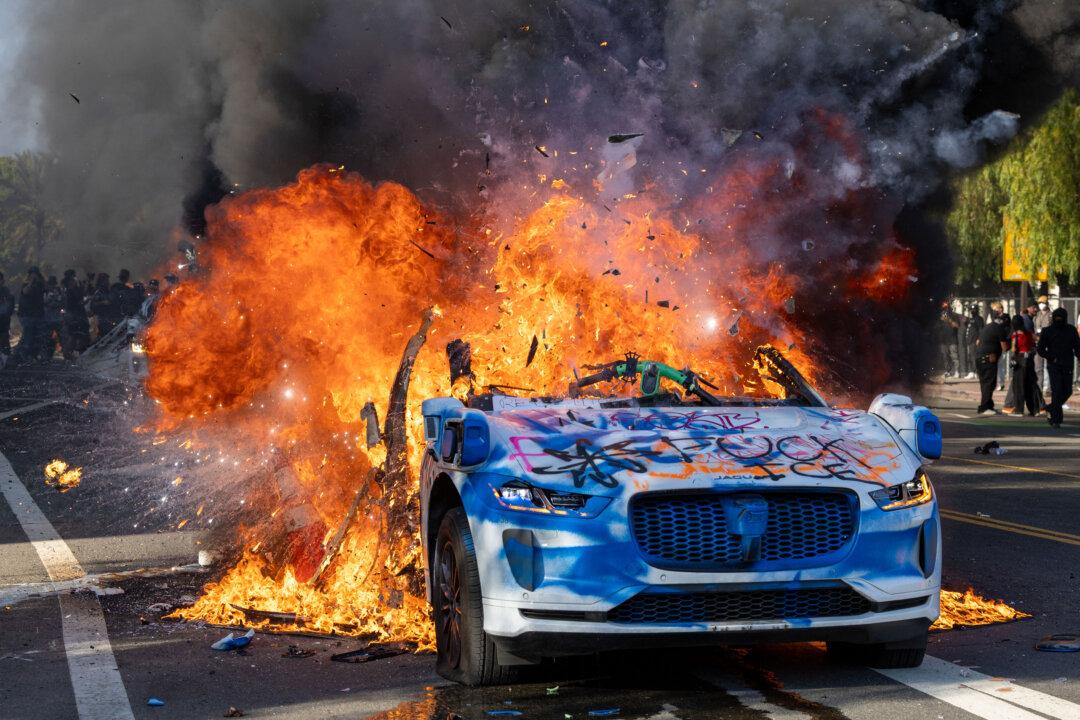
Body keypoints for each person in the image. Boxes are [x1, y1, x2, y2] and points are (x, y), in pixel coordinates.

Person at [1036, 307, 1080, 428]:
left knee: (1067, 391)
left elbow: (1077, 347)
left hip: (1067, 365)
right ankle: (1056, 420)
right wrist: (1051, 357)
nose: (1059, 320)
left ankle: (1051, 408)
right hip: (1054, 365)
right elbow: (1040, 349)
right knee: (1056, 391)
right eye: (1057, 318)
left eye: (1061, 318)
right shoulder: (1047, 331)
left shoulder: (1071, 330)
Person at [975, 309, 1009, 415]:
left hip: (979, 358)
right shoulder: (1000, 329)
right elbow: (1004, 347)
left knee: (985, 383)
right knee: (989, 384)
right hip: (989, 359)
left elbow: (977, 342)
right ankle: (984, 407)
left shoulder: (987, 327)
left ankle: (989, 405)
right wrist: (1010, 342)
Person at [1006, 315, 1040, 416]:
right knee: (1030, 385)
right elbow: (1036, 340)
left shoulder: (1015, 335)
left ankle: (1019, 410)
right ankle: (1034, 409)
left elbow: (1013, 349)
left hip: (1020, 360)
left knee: (1019, 386)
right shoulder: (1029, 334)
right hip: (1029, 360)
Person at [14, 267, 46, 363]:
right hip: (27, 315)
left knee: (36, 337)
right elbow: (25, 291)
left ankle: (30, 355)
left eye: (35, 274)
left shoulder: (40, 285)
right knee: (28, 336)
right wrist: (31, 282)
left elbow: (46, 289)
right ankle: (20, 355)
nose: (34, 276)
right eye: (32, 274)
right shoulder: (26, 284)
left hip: (37, 314)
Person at [61, 270, 90, 359]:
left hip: (76, 316)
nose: (75, 280)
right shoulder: (70, 291)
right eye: (73, 278)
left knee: (77, 336)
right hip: (75, 317)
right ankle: (68, 355)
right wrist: (87, 300)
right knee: (75, 336)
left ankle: (71, 355)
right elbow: (77, 303)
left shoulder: (71, 290)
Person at [1033, 295, 1053, 393]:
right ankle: (1039, 388)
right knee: (1038, 367)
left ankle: (1048, 388)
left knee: (1048, 367)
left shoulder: (1051, 315)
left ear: (1047, 303)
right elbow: (1034, 328)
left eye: (1043, 303)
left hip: (1048, 344)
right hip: (1038, 343)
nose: (1041, 304)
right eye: (1039, 303)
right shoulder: (1037, 315)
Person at [89, 273, 117, 338]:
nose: (108, 282)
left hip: (112, 318)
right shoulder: (98, 293)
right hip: (104, 320)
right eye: (106, 281)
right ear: (101, 282)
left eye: (107, 280)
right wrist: (102, 303)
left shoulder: (110, 291)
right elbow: (92, 306)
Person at [938, 300, 961, 378]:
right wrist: (941, 320)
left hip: (952, 340)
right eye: (943, 305)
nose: (945, 307)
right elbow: (937, 327)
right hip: (943, 340)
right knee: (945, 356)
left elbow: (957, 326)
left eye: (946, 305)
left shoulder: (954, 315)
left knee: (954, 357)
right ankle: (947, 371)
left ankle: (957, 372)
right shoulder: (940, 316)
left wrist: (949, 320)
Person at [42, 275, 64, 359]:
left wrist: (56, 304)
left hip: (58, 318)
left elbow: (62, 301)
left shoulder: (58, 291)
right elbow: (43, 303)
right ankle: (47, 356)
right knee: (48, 339)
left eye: (52, 284)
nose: (51, 286)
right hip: (48, 318)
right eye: (50, 284)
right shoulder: (45, 292)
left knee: (62, 337)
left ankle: (66, 353)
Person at [964, 305, 983, 380]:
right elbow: (969, 328)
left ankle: (974, 372)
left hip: (974, 341)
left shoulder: (979, 319)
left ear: (977, 310)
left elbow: (981, 330)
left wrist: (979, 339)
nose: (972, 311)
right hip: (969, 341)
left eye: (974, 309)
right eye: (971, 309)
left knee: (973, 357)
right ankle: (972, 372)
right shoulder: (971, 319)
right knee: (970, 357)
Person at [0, 272, 14, 357]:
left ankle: (6, 356)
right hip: (4, 317)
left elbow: (10, 304)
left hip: (3, 318)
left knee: (4, 338)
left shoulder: (6, 291)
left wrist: (8, 314)